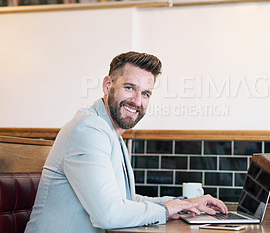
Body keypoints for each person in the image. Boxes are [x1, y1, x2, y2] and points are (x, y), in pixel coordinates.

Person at [25, 51, 228, 233]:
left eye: (145, 94)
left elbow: (127, 201)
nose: (137, 101)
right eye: (130, 88)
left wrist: (184, 203)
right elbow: (110, 215)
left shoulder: (111, 132)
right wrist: (167, 210)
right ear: (107, 85)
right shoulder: (89, 129)